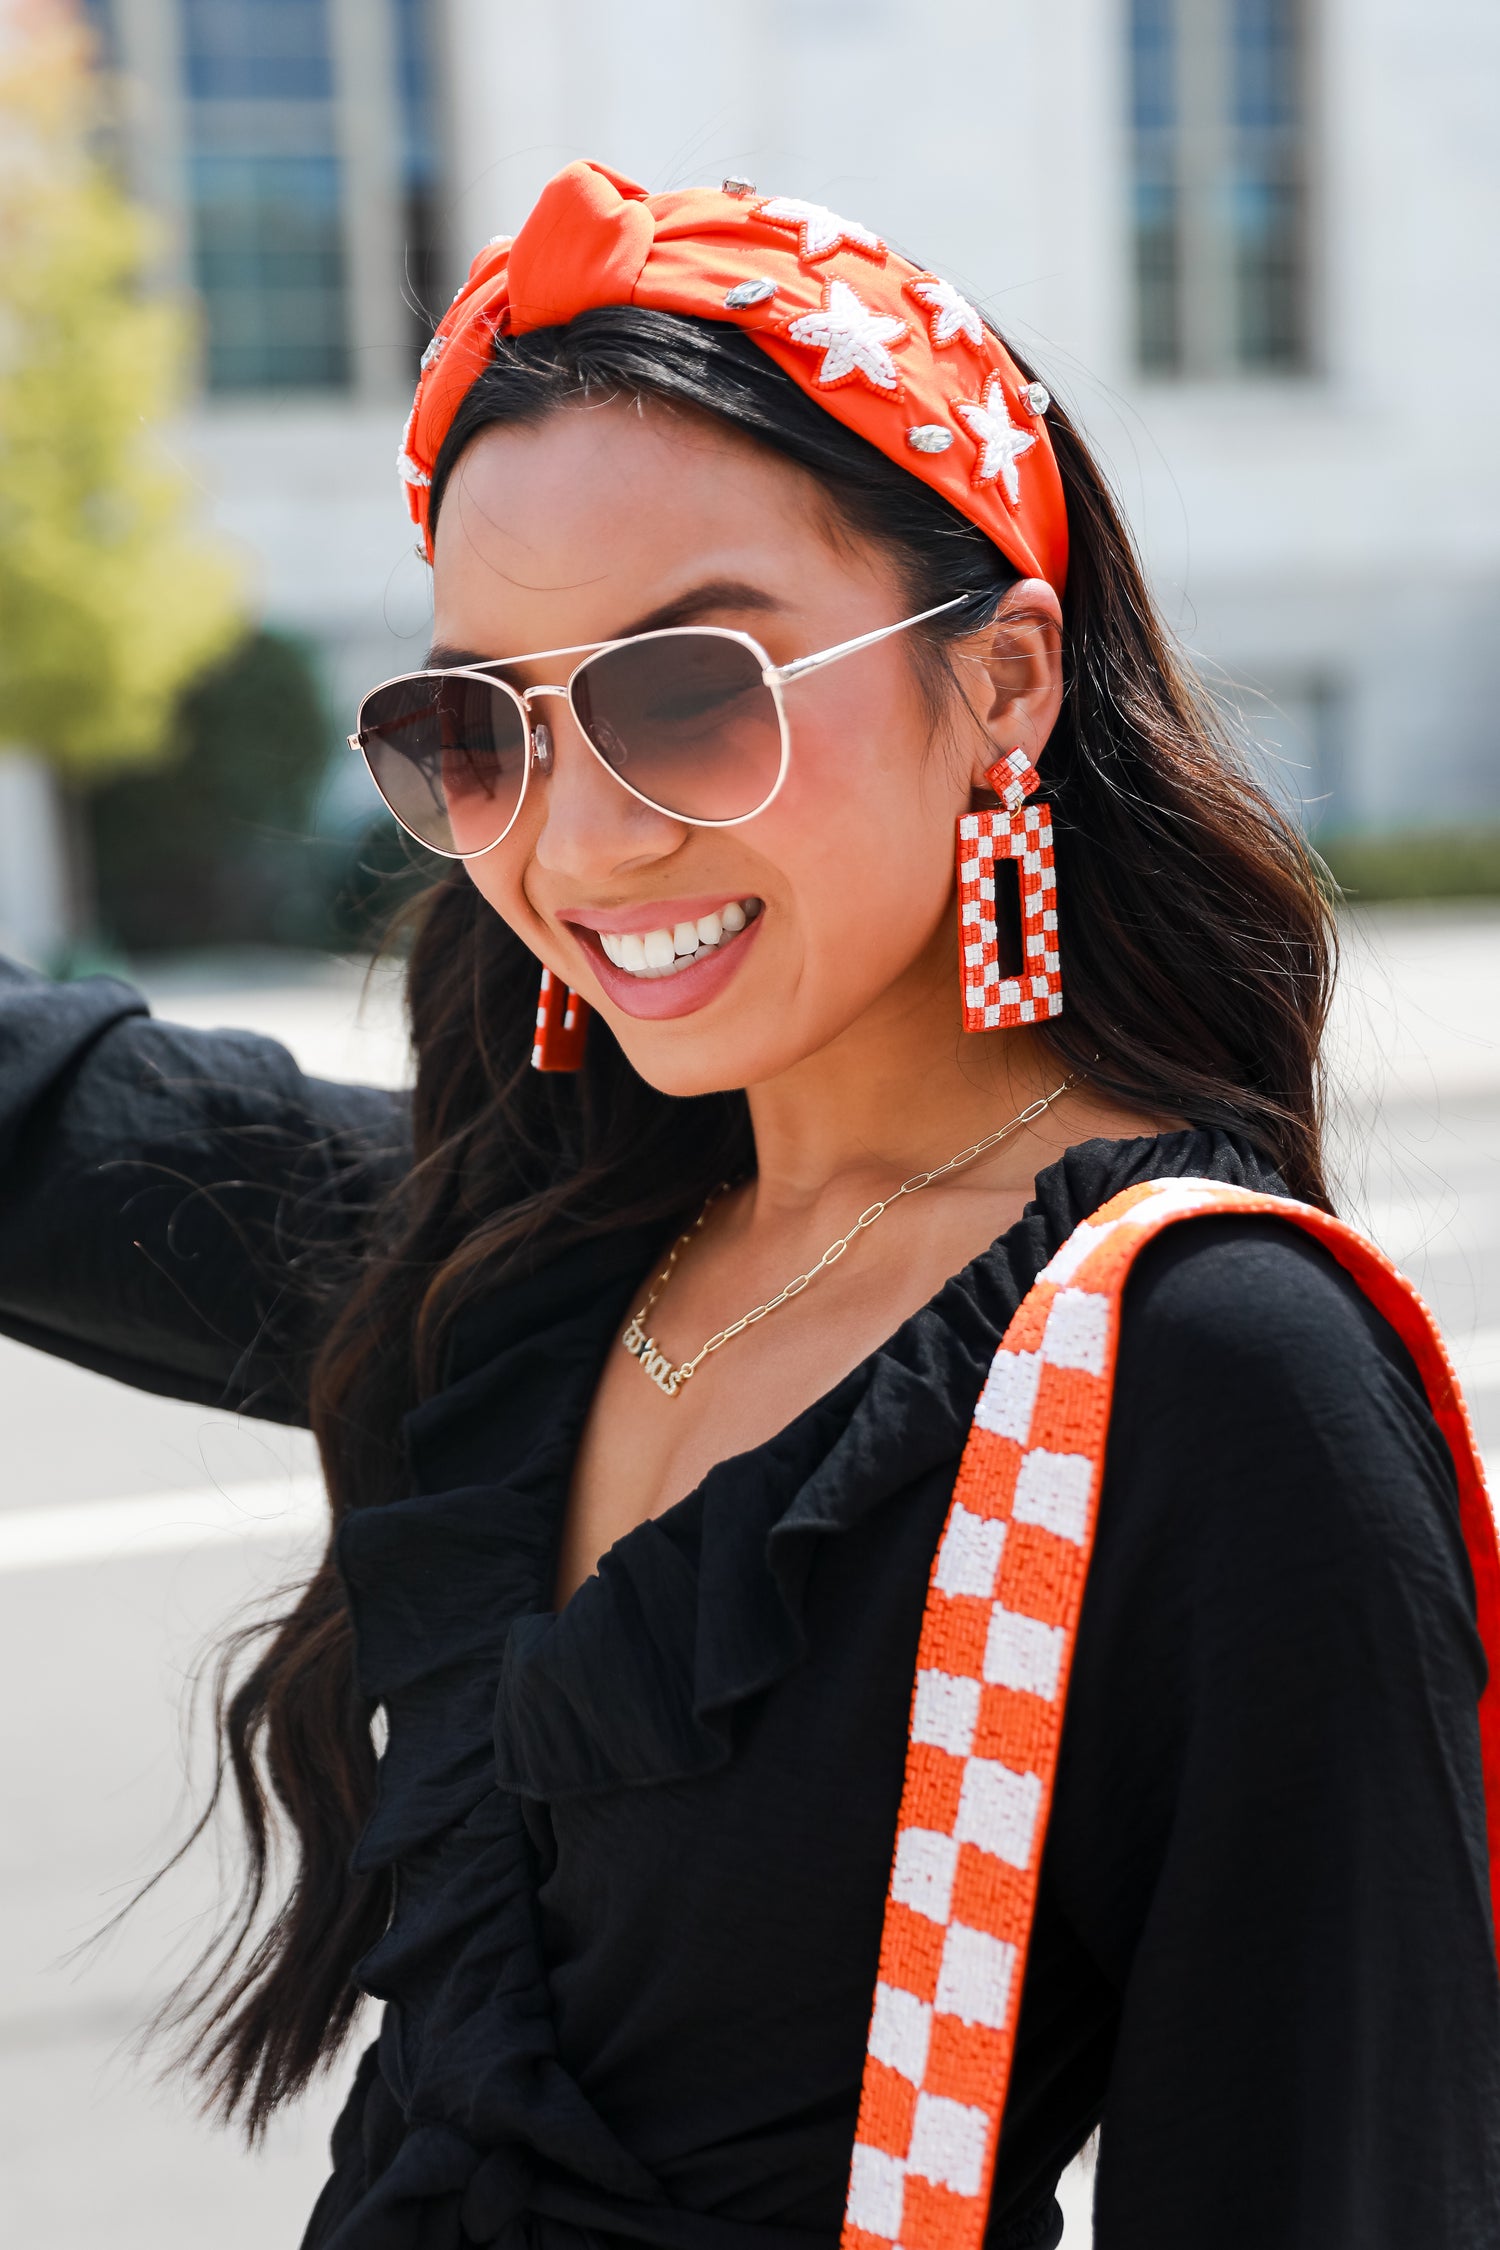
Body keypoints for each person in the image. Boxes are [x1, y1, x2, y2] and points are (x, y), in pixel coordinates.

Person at [1, 161, 1497, 2250]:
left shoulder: (1208, 1378)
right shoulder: (525, 1266)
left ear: (1005, 683)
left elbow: (1338, 2175)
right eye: (478, 729)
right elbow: (45, 1124)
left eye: (690, 688)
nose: (584, 841)